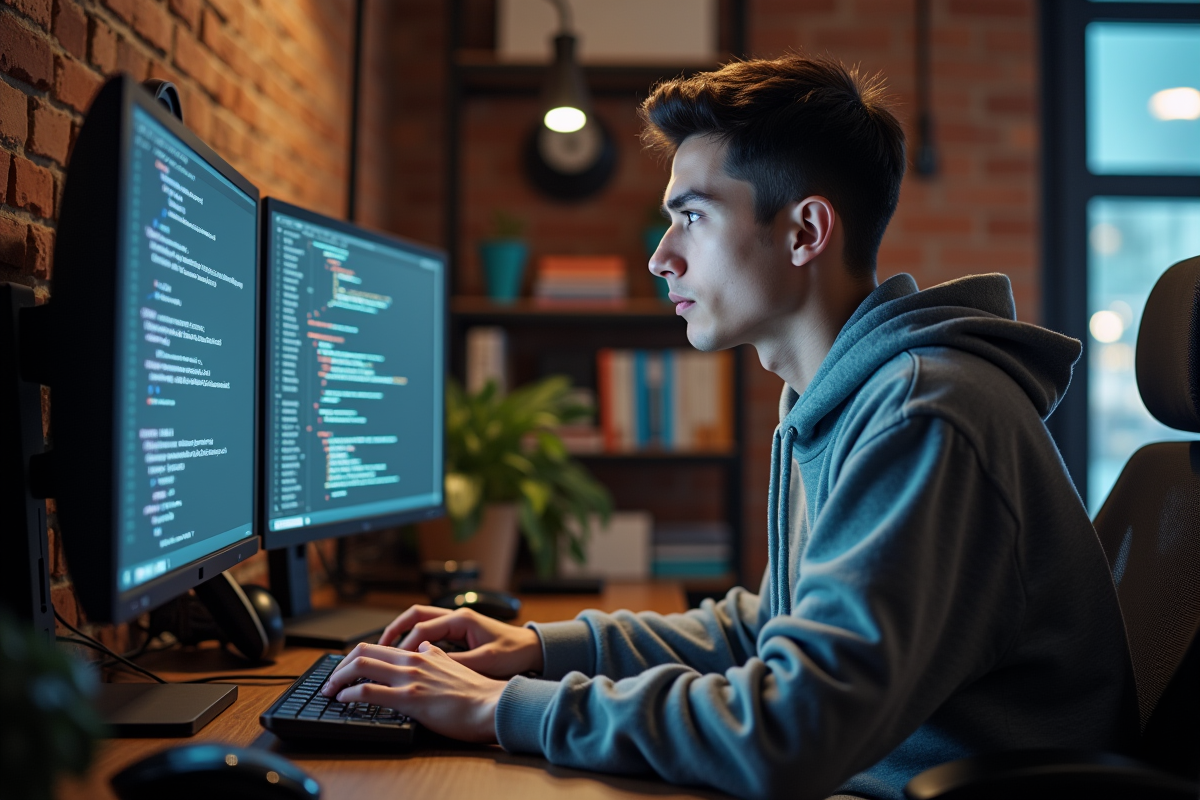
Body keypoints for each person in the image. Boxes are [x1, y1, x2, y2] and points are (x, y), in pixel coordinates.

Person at [319, 54, 1136, 800]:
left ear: (805, 232)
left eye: (693, 216)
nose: (661, 257)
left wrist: (502, 708)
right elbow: (770, 625)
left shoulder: (925, 414)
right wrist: (540, 649)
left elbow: (790, 729)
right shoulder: (840, 395)